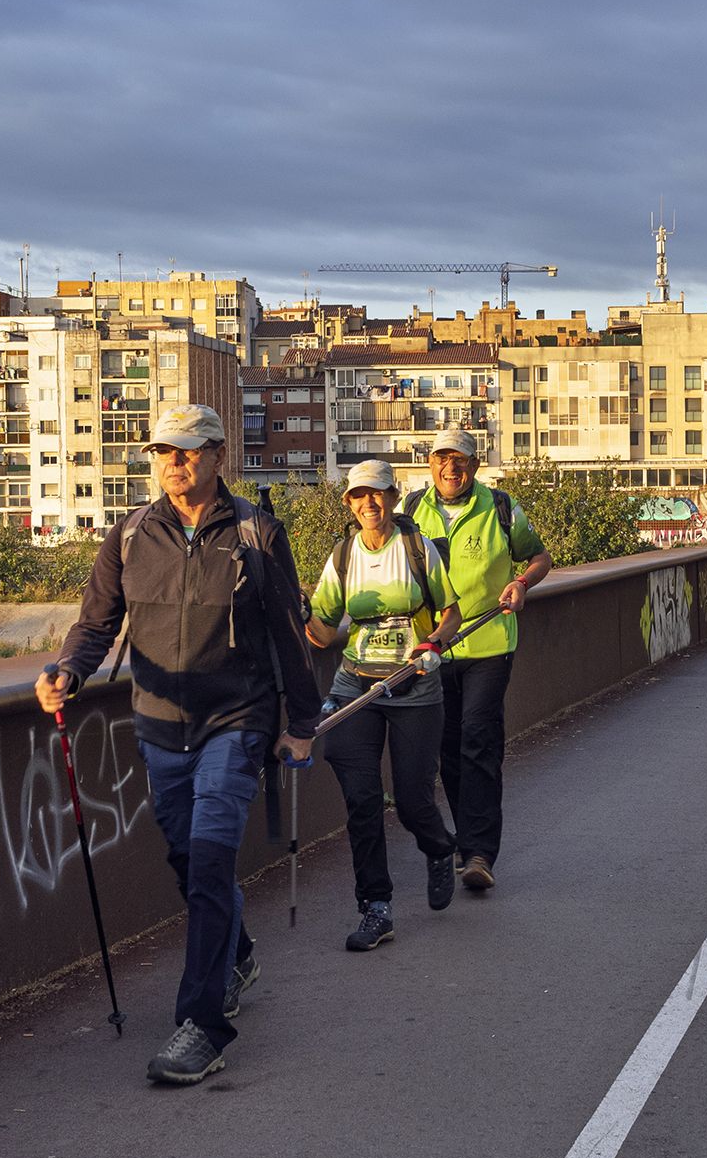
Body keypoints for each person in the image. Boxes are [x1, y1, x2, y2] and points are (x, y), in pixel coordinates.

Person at [39, 403, 319, 1087]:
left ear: (220, 454)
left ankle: (202, 1026)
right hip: (160, 725)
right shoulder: (131, 534)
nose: (174, 462)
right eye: (164, 451)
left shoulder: (255, 532)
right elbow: (95, 623)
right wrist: (68, 670)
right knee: (188, 859)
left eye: (188, 450)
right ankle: (237, 954)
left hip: (237, 721)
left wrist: (301, 722)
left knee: (212, 857)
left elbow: (288, 629)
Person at [307, 460, 461, 952]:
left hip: (414, 686)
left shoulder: (417, 548)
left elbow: (452, 613)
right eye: (359, 495)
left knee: (413, 802)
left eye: (377, 494)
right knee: (362, 800)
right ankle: (376, 907)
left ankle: (439, 848)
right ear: (349, 504)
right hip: (356, 687)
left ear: (393, 497)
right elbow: (323, 632)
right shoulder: (343, 556)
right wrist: (299, 613)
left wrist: (434, 644)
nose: (369, 503)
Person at [407, 429, 551, 894]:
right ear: (430, 463)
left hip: (489, 643)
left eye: (460, 460)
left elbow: (540, 557)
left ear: (475, 464)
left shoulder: (500, 507)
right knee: (448, 748)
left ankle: (480, 853)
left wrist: (522, 584)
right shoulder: (411, 510)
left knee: (478, 740)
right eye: (442, 458)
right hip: (434, 648)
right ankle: (465, 840)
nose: (451, 468)